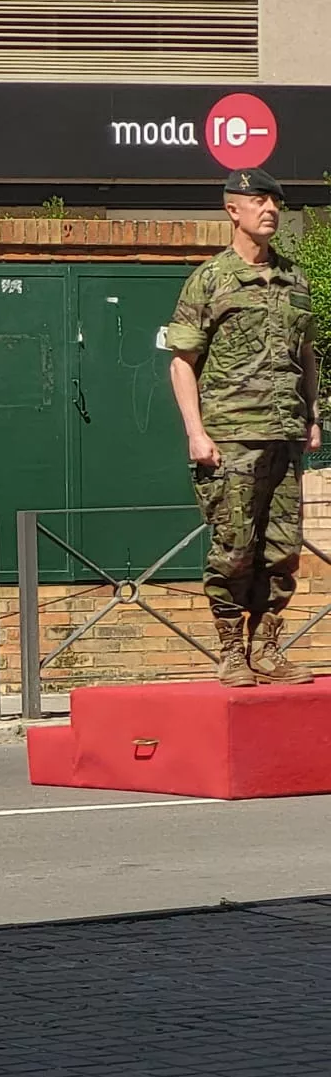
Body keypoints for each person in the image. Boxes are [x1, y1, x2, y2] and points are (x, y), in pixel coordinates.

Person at [167, 168, 321, 688]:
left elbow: (307, 355)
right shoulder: (210, 280)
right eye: (259, 201)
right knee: (234, 547)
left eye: (276, 202)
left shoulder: (296, 280)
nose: (271, 209)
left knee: (282, 549)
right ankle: (232, 651)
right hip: (231, 437)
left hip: (284, 433)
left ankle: (269, 648)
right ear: (233, 209)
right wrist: (196, 431)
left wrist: (313, 416)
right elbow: (182, 361)